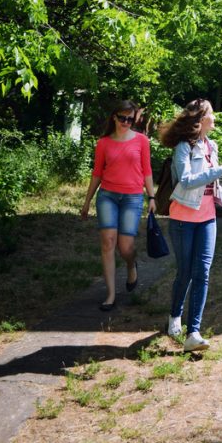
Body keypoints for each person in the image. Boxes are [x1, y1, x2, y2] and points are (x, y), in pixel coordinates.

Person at [158, 98, 222, 353]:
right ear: (200, 119)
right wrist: (220, 171)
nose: (215, 117)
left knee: (202, 272)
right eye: (211, 113)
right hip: (183, 220)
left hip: (207, 220)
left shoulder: (211, 146)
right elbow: (186, 180)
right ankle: (175, 316)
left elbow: (213, 188)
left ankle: (193, 332)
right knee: (186, 272)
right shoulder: (184, 147)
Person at [80, 99, 156, 311]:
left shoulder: (142, 141)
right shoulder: (103, 143)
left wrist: (152, 197)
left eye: (130, 119)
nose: (126, 122)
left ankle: (131, 265)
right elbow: (97, 173)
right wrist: (86, 202)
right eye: (122, 118)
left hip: (132, 198)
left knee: (126, 246)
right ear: (114, 117)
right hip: (108, 196)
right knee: (107, 243)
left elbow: (147, 170)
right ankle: (111, 295)